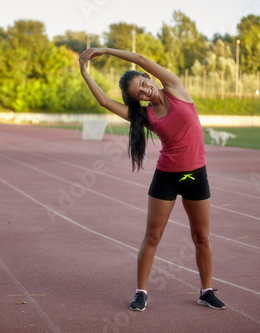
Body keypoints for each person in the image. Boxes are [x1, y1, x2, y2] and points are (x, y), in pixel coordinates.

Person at [79, 48, 226, 311]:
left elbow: (141, 59)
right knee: (153, 236)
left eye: (144, 84)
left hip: (196, 175)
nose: (145, 91)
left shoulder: (175, 88)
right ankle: (141, 292)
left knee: (201, 237)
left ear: (149, 77)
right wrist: (84, 72)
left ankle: (205, 291)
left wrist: (105, 51)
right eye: (139, 93)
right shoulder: (144, 116)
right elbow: (103, 101)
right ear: (136, 99)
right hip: (166, 178)